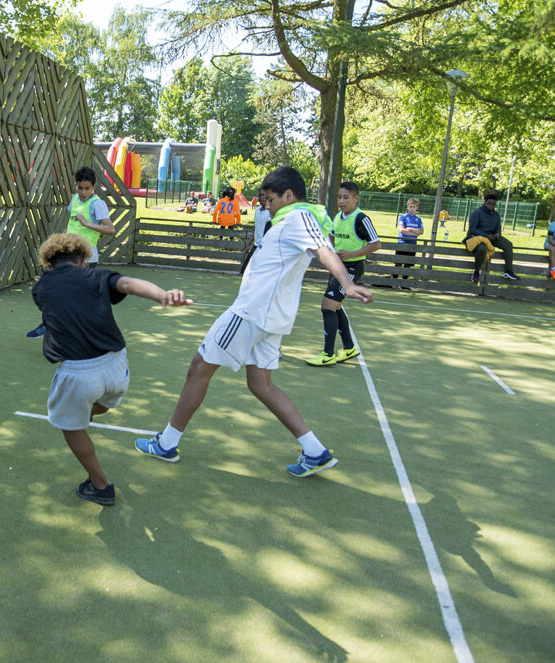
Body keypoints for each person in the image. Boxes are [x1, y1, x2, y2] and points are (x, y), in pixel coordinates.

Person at [134, 166, 373, 478]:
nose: (267, 206)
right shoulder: (293, 218)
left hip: (252, 313)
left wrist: (347, 283)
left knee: (198, 367)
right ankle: (315, 451)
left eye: (271, 199)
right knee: (260, 384)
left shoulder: (299, 217)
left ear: (289, 195)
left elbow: (324, 250)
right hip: (269, 317)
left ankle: (166, 443)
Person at [32, 233, 191, 505]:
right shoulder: (97, 276)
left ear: (48, 264)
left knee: (71, 429)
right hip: (117, 366)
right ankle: (89, 414)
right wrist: (162, 295)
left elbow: (55, 299)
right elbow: (127, 284)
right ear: (83, 260)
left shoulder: (41, 288)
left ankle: (100, 486)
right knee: (100, 403)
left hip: (79, 373)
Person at [26, 166, 115, 338]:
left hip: (85, 257)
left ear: (94, 187)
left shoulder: (97, 204)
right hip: (66, 254)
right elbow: (72, 222)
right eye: (80, 188)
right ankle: (48, 325)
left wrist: (86, 223)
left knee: (76, 297)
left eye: (87, 188)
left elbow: (110, 229)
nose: (83, 192)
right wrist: (64, 237)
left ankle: (91, 331)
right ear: (76, 186)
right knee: (50, 288)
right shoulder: (74, 199)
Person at [305, 181, 380, 367]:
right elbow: (331, 235)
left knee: (327, 306)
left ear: (356, 198)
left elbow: (376, 244)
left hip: (352, 268)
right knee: (335, 306)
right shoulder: (338, 216)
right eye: (339, 197)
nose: (341, 201)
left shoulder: (361, 219)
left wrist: (351, 254)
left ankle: (328, 354)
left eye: (346, 197)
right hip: (339, 267)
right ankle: (349, 348)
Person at [464, 194, 520, 283]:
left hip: (492, 237)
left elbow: (498, 227)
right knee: (482, 249)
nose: (491, 205)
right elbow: (472, 229)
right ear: (485, 203)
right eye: (489, 203)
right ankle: (476, 272)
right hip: (479, 238)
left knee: (508, 245)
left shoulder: (496, 214)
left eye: (493, 204)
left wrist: (498, 234)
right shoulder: (477, 213)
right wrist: (485, 235)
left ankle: (508, 271)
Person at [240, 188, 271, 274]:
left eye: (263, 195)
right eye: (260, 195)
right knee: (244, 270)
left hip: (265, 247)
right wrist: (249, 244)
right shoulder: (257, 210)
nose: (261, 198)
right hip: (256, 245)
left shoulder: (270, 212)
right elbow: (257, 229)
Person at [393, 198, 423, 282]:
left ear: (417, 207)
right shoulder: (403, 217)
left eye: (414, 207)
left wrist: (409, 229)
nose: (412, 209)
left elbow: (421, 231)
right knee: (398, 264)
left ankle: (404, 283)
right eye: (410, 207)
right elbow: (402, 230)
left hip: (412, 244)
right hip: (402, 243)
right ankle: (393, 282)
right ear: (407, 207)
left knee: (408, 265)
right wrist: (415, 233)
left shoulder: (418, 219)